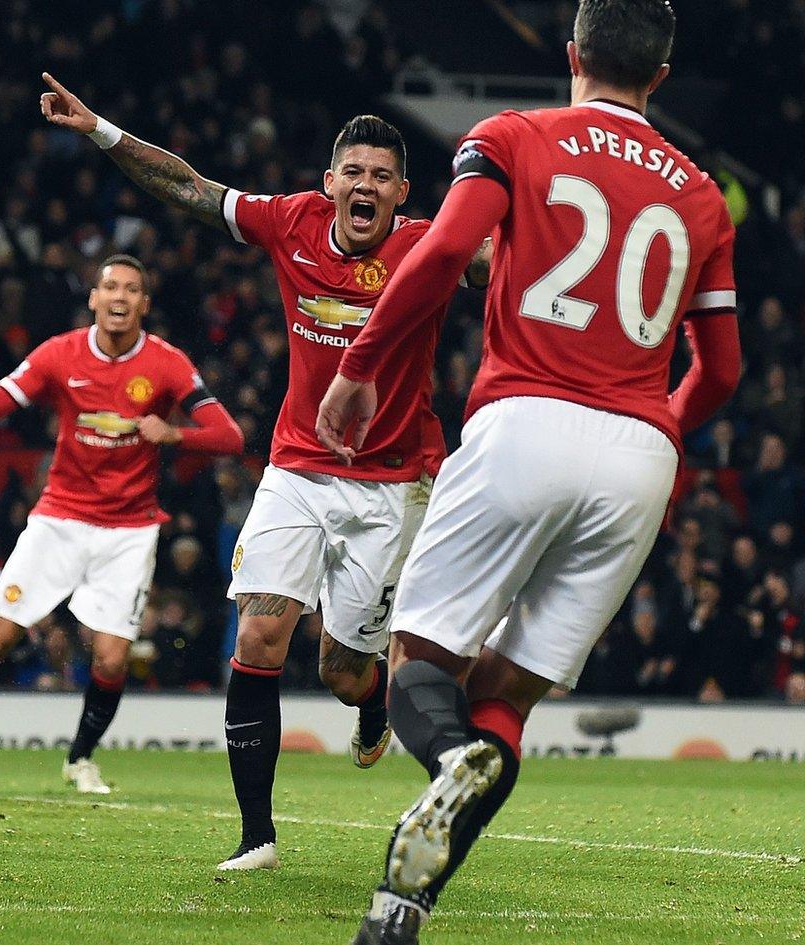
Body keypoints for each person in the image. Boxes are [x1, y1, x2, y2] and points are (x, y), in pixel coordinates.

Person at [314, 2, 740, 940]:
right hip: (639, 454)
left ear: (574, 53)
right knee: (507, 694)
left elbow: (440, 256)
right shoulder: (705, 195)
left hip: (524, 420)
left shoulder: (512, 136)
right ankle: (401, 907)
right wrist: (662, 429)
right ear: (660, 77)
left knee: (419, 663)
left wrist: (357, 370)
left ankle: (449, 759)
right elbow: (726, 369)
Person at [37, 74, 488, 870]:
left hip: (397, 480)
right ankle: (257, 837)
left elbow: (495, 260)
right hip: (299, 466)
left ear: (403, 193)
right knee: (259, 629)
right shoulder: (292, 221)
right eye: (353, 171)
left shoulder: (427, 244)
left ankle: (372, 699)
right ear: (329, 181)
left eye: (382, 176)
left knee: (344, 670)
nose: (365, 186)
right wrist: (101, 129)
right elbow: (188, 185)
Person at [0, 255, 242, 794]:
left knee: (111, 655)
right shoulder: (60, 354)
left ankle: (80, 757)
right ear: (93, 299)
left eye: (130, 288)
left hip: (129, 530)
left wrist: (176, 436)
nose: (119, 297)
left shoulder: (168, 364)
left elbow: (229, 437)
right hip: (59, 518)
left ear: (144, 305)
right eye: (109, 287)